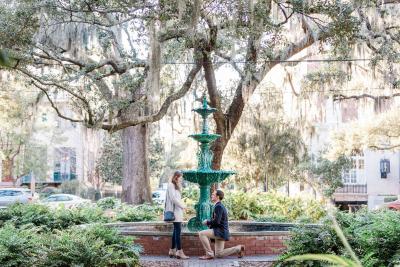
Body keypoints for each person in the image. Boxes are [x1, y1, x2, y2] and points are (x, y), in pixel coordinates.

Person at [198, 189, 245, 260]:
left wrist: (207, 222)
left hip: (220, 231)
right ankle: (238, 248)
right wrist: (209, 223)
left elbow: (217, 221)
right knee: (219, 254)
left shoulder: (218, 206)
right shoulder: (219, 206)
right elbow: (217, 221)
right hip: (222, 232)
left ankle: (209, 254)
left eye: (213, 194)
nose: (211, 195)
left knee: (202, 233)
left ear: (217, 197)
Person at [165, 171, 189, 259]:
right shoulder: (171, 185)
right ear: (176, 177)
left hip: (178, 211)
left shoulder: (176, 185)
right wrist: (183, 206)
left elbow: (177, 198)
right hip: (175, 212)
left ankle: (172, 250)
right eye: (180, 177)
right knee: (178, 232)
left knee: (175, 232)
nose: (181, 179)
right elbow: (173, 199)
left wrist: (182, 206)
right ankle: (179, 252)